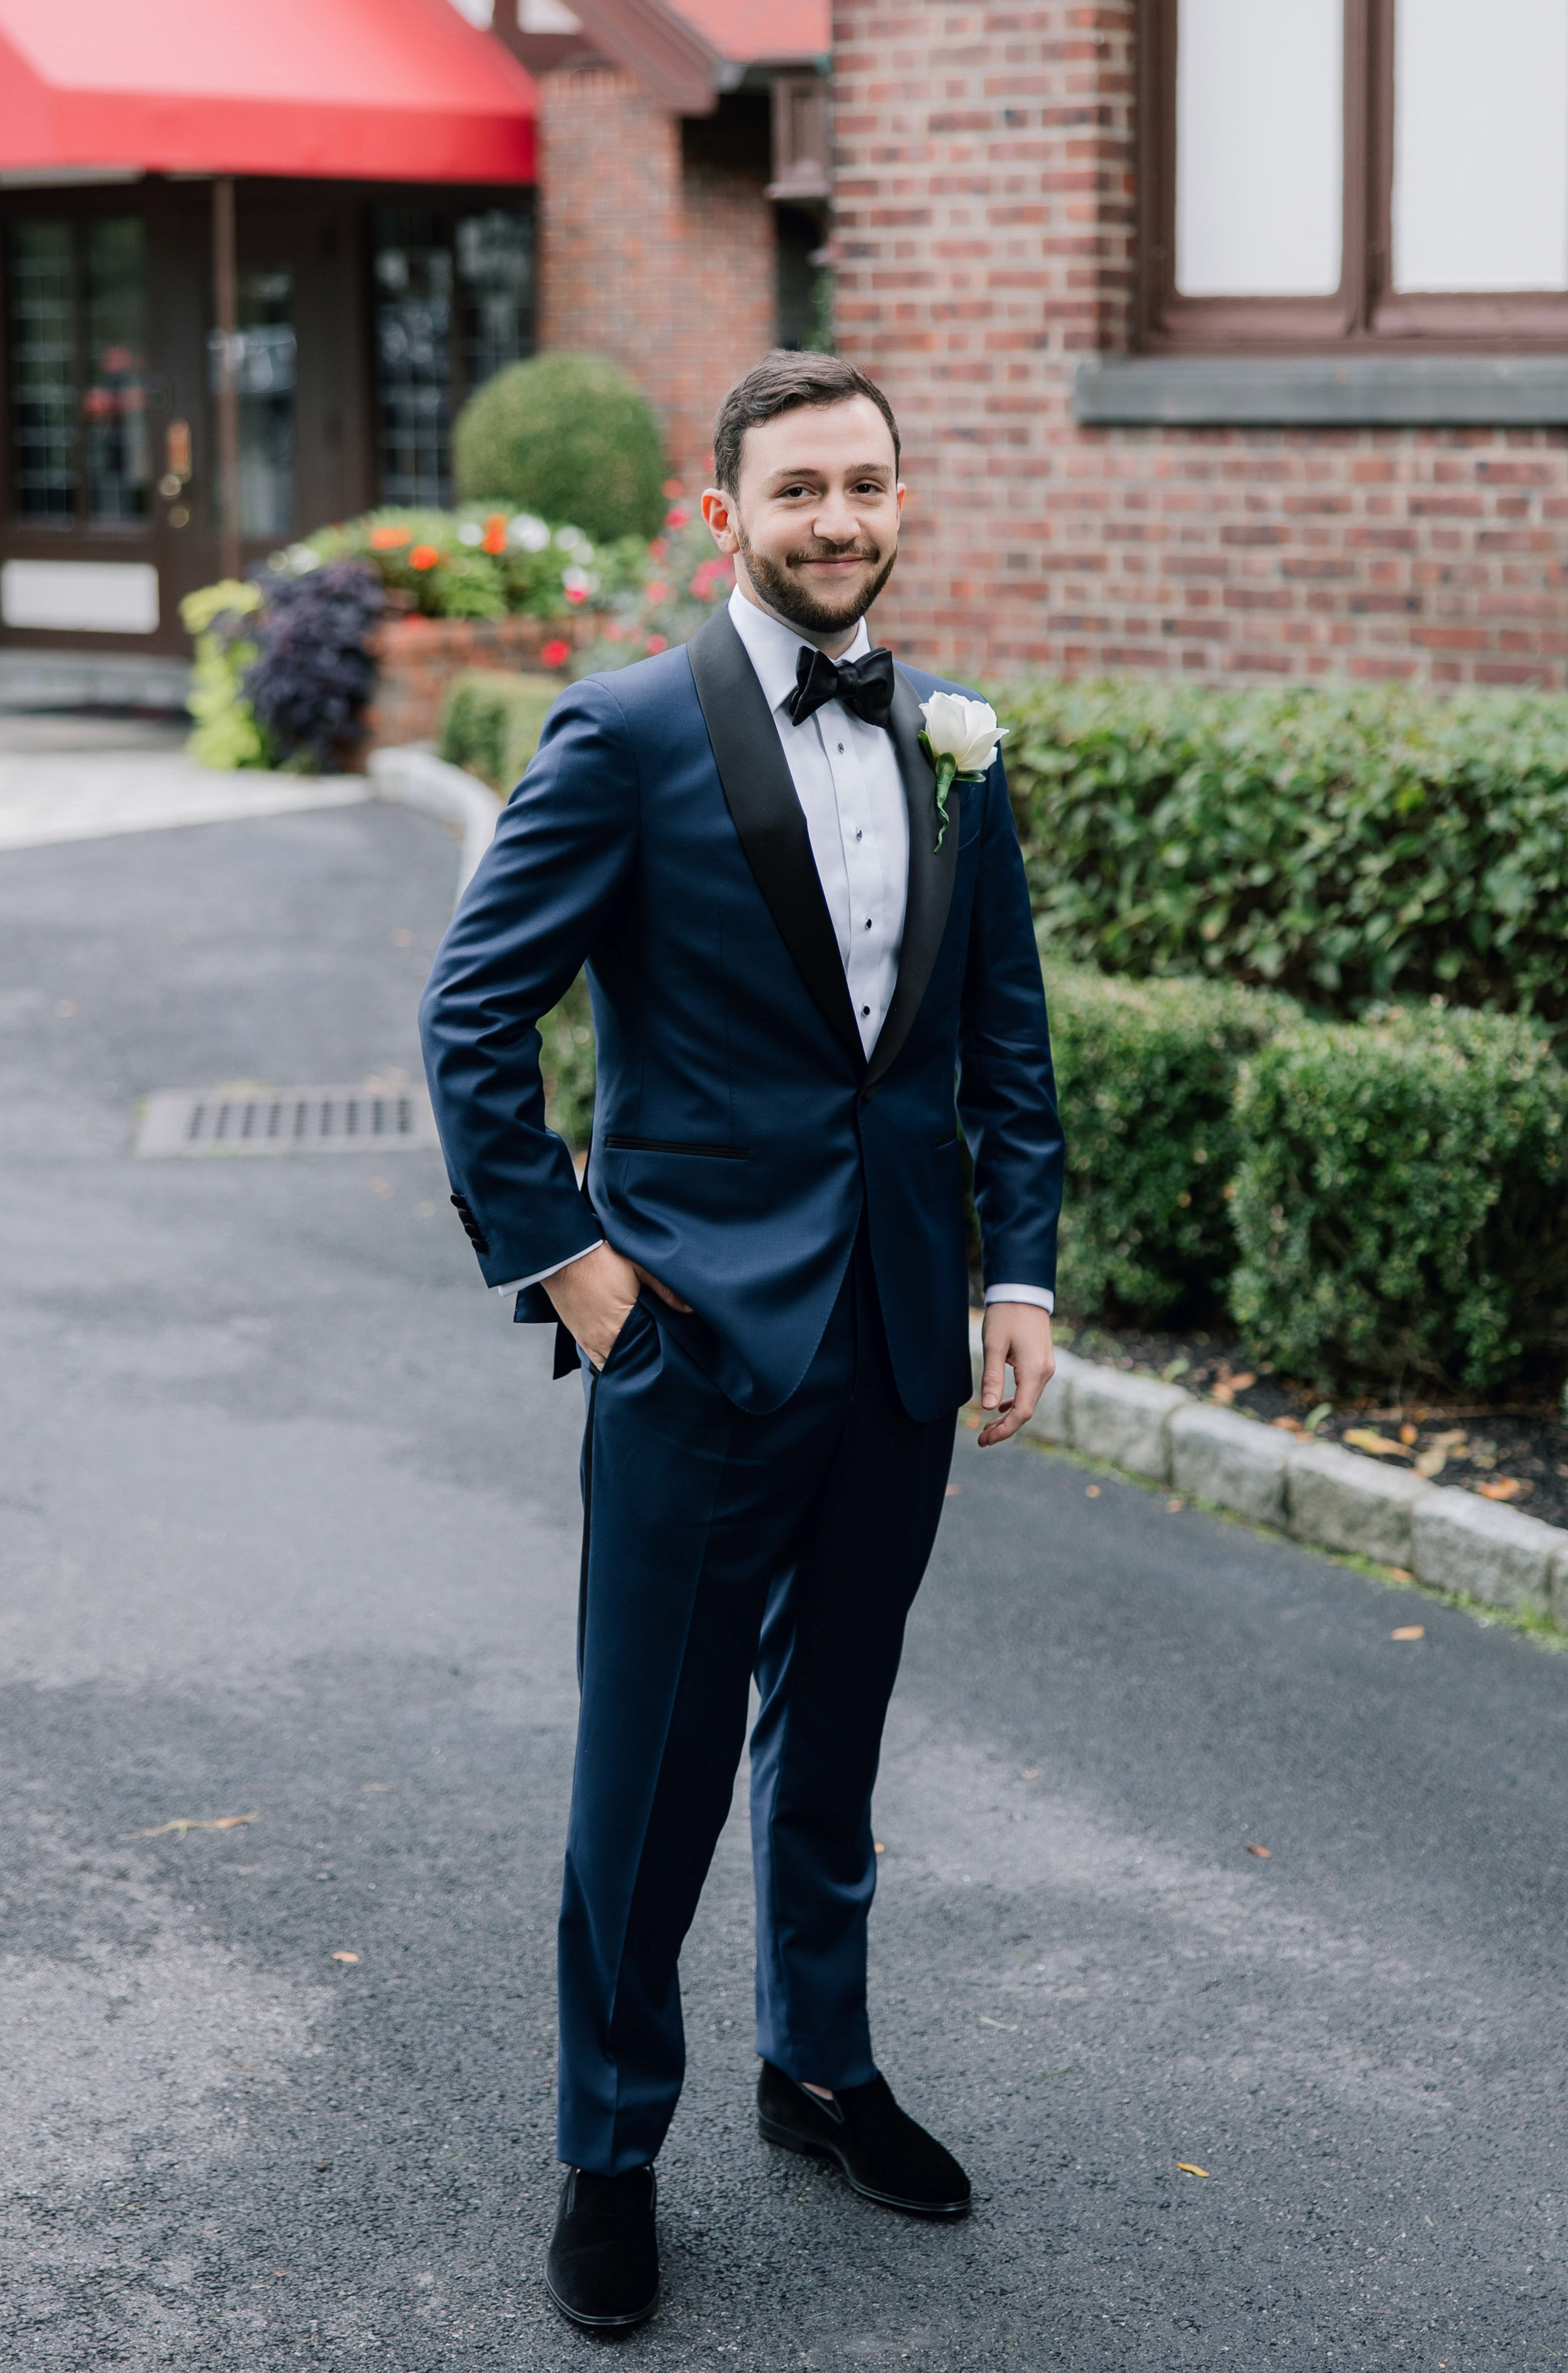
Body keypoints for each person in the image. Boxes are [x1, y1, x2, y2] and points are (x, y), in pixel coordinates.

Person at [419, 351, 1064, 2331]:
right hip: (690, 1346)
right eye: (798, 491)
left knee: (836, 1747)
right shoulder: (621, 736)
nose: (839, 521)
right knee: (651, 1775)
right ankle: (608, 2150)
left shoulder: (959, 740)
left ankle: (820, 2069)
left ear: (900, 501)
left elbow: (999, 1041)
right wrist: (582, 1276)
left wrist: (1014, 1276)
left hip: (894, 1342)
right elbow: (472, 1019)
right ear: (726, 515)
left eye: (866, 486)